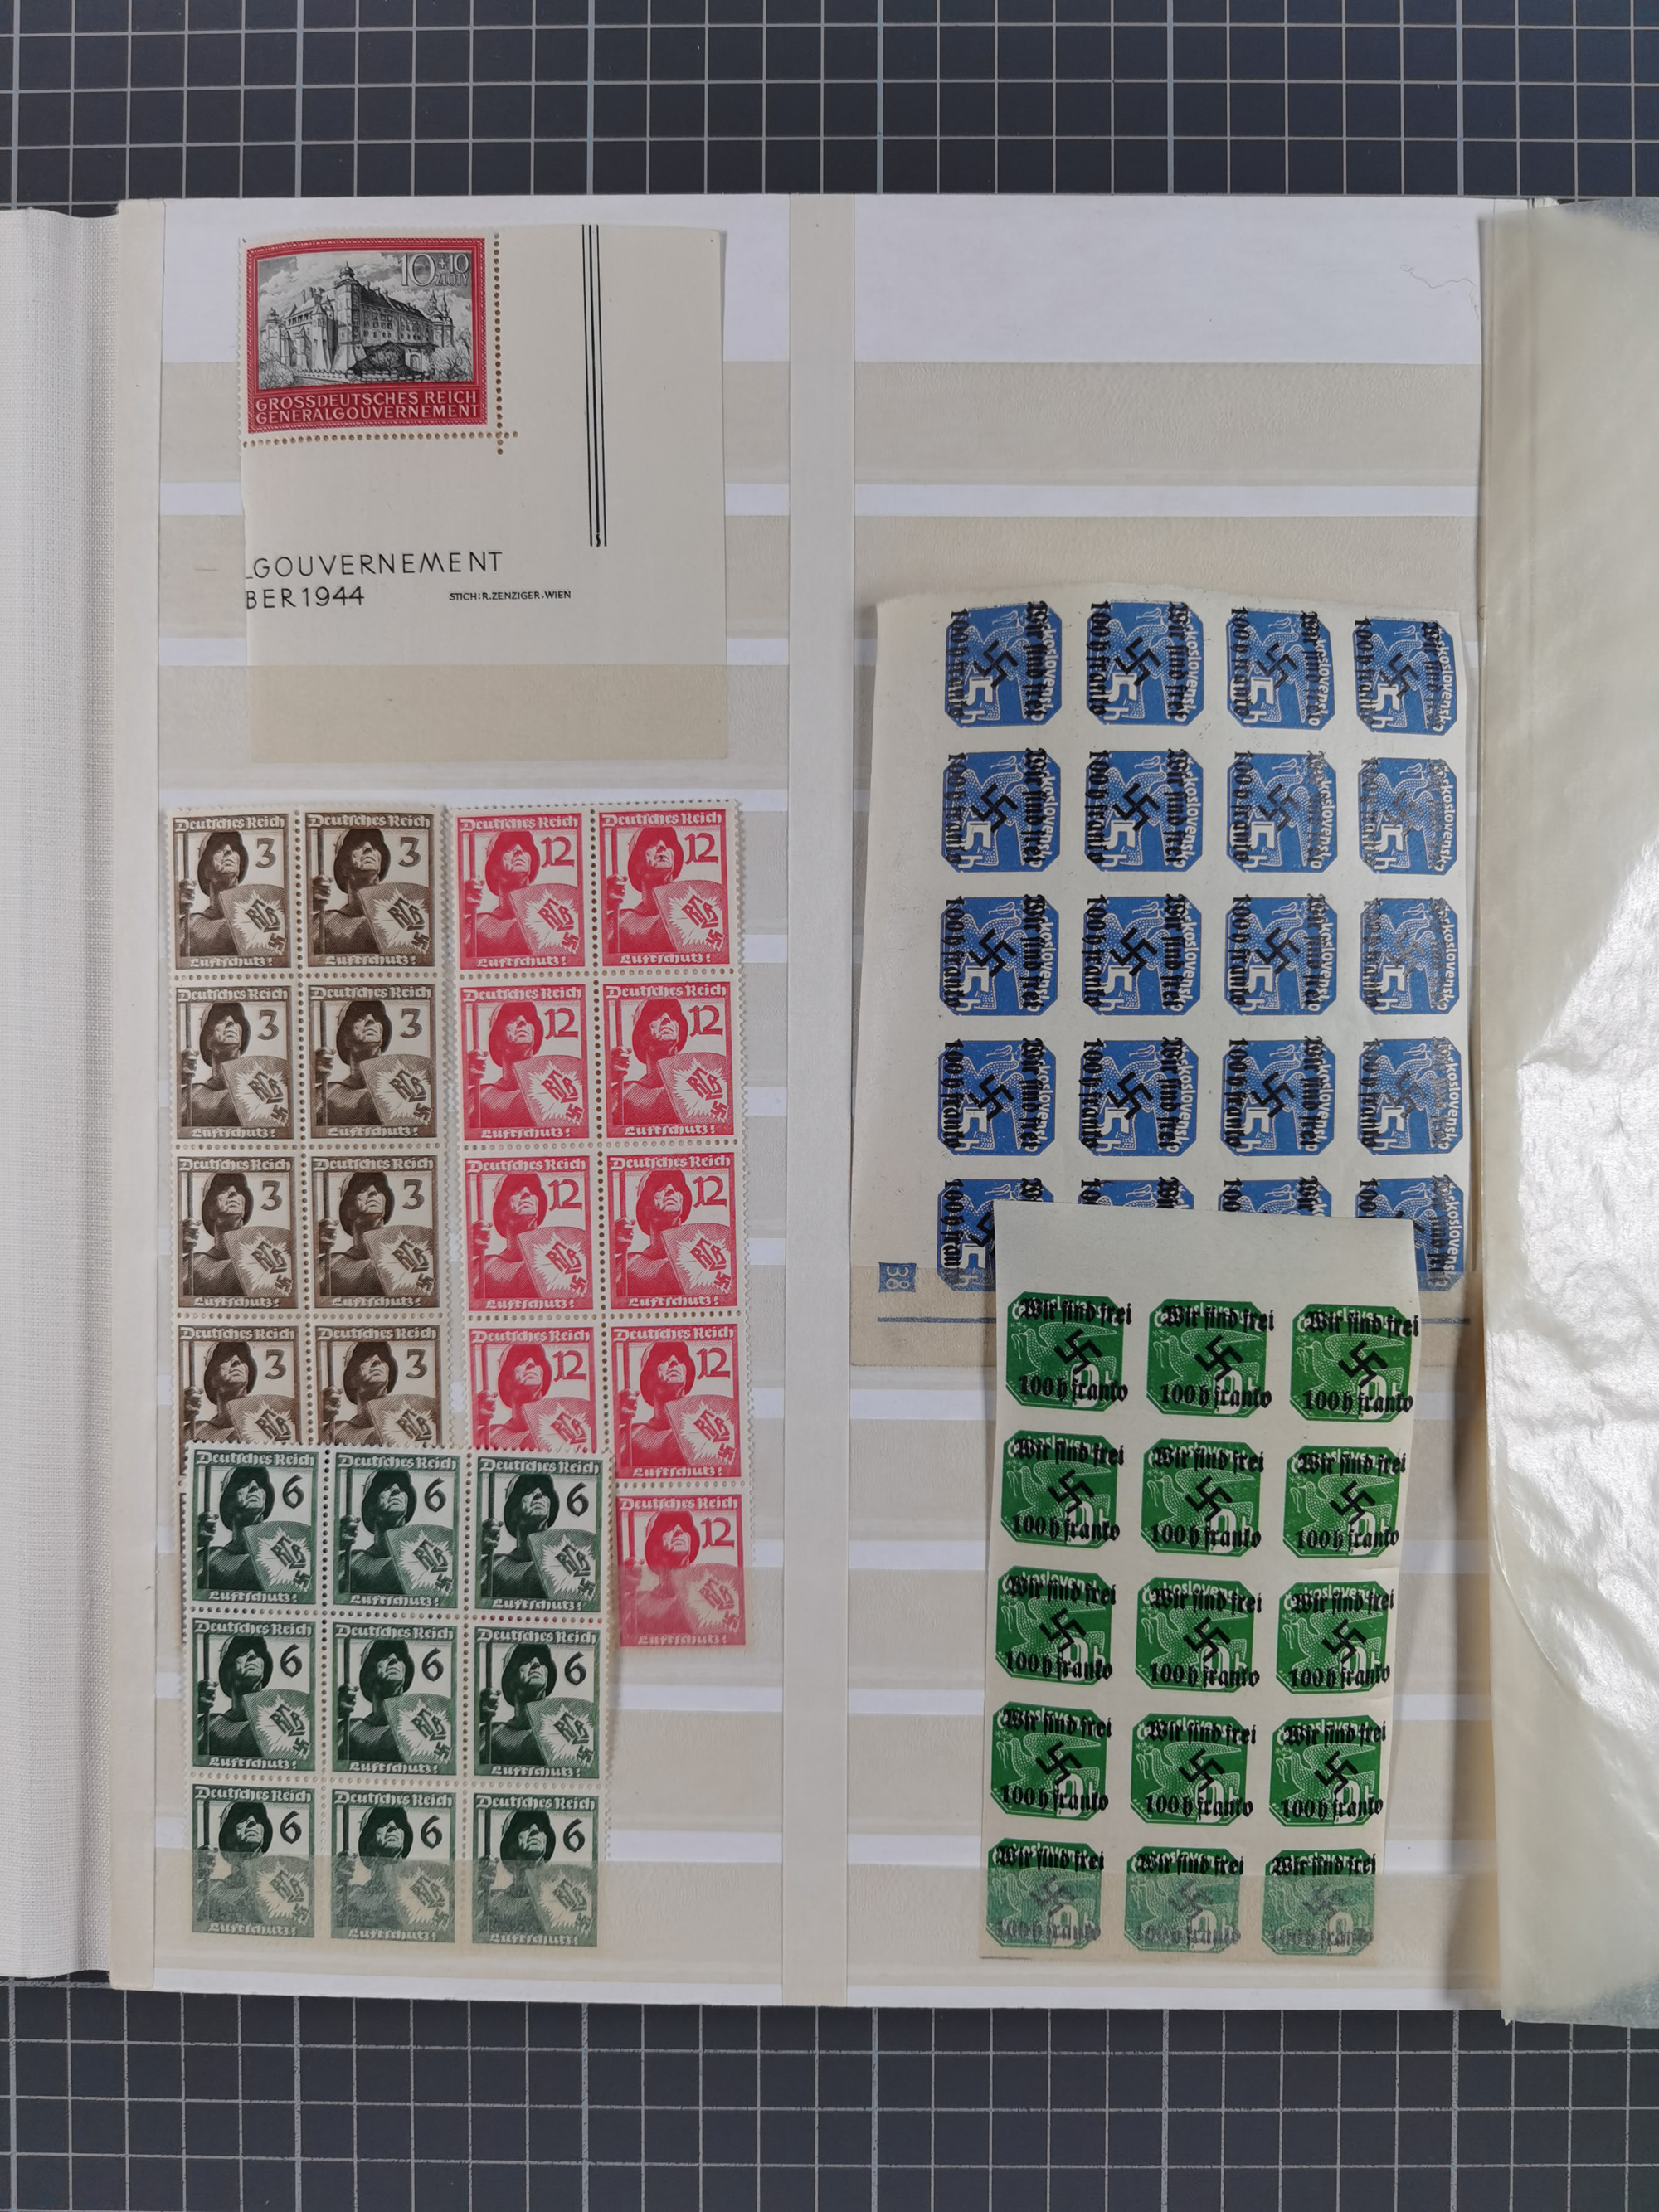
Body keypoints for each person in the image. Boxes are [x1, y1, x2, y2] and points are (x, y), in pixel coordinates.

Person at [605, 824, 695, 960]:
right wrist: (602, 905)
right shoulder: (618, 921)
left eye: (669, 843)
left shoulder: (694, 916)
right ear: (637, 866)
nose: (662, 846)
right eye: (650, 843)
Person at [480, 1467, 559, 1602]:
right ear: (513, 1512)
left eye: (545, 1491)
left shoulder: (565, 1564)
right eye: (527, 1490)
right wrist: (475, 1550)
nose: (539, 1494)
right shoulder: (493, 1565)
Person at [608, 998, 689, 1128]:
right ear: (640, 1036)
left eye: (673, 1016)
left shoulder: (698, 1087)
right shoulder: (623, 1093)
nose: (667, 1018)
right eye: (655, 1016)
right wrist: (605, 1078)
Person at [313, 824, 392, 959]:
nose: (369, 848)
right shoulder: (322, 923)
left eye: (375, 845)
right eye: (357, 845)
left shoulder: (401, 918)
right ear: (343, 867)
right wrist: (305, 904)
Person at [478, 1806, 559, 1934]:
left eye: (541, 1826)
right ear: (511, 1844)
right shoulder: (493, 1900)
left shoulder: (559, 1900)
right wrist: (475, 1885)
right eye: (524, 1826)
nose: (535, 1830)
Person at [467, 1000, 546, 1131]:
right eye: (511, 1019)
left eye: (529, 1019)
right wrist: (460, 1080)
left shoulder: (555, 1092)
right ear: (497, 1041)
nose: (522, 1021)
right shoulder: (480, 1096)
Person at [339, 1465, 416, 1597]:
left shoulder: (421, 1559)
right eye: (384, 1487)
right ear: (370, 1508)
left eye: (403, 1487)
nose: (396, 1490)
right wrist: (332, 1545)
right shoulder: (351, 1561)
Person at [615, 1339, 694, 1471]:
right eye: (663, 1359)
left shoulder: (704, 1431)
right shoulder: (630, 1435)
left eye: (680, 1359)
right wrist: (613, 1421)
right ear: (649, 1380)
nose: (674, 1361)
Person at [463, 829, 541, 961]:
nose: (519, 850)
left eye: (525, 847)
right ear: (493, 868)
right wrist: (459, 909)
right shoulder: (476, 925)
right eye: (507, 848)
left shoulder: (549, 921)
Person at [317, 1169, 396, 1300]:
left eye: (379, 1189)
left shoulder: (403, 1259)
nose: (373, 1191)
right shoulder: (328, 1264)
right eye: (362, 1188)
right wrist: (310, 1247)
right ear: (348, 1211)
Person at [197, 1463, 275, 1594]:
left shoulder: (281, 1557)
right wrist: (190, 1541)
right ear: (228, 1505)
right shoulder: (208, 1557)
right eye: (243, 1483)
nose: (254, 1486)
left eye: (261, 1484)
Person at [625, 1510, 703, 1639]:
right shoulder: (639, 1604)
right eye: (669, 1527)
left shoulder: (710, 1596)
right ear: (655, 1549)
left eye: (685, 1527)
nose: (679, 1530)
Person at [319, 999, 396, 1130]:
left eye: (377, 1018)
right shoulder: (325, 1094)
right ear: (346, 1039)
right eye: (359, 1018)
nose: (371, 1020)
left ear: (382, 1037)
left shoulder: (402, 1090)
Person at [620, 1169, 694, 1302]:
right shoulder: (627, 1264)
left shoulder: (701, 1260)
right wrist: (609, 1250)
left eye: (677, 1187)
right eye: (659, 1187)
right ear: (645, 1209)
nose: (671, 1189)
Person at [197, 1798, 274, 1927]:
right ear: (229, 1835)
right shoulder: (213, 1891)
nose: (252, 1821)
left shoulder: (278, 1887)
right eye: (242, 1818)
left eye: (259, 1818)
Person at [182, 1171, 258, 1300]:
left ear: (245, 1207)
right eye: (222, 1190)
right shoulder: (191, 1264)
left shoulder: (262, 1260)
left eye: (239, 1190)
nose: (233, 1192)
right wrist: (174, 1248)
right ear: (209, 1211)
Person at [479, 1641, 557, 1767]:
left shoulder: (562, 1732)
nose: (536, 1663)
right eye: (526, 1659)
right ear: (511, 1679)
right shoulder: (491, 1733)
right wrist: (473, 1716)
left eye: (543, 1660)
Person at [473, 1172, 547, 1301]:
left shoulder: (558, 1263)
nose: (526, 1193)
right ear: (501, 1211)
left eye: (533, 1190)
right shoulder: (483, 1266)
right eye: (515, 1190)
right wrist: (465, 1251)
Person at [198, 1633, 272, 1762]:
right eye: (241, 1651)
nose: (252, 1655)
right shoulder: (208, 1724)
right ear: (227, 1674)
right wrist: (190, 1707)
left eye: (259, 1652)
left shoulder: (280, 1724)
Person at [341, 1637, 415, 1763]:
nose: (394, 1659)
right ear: (369, 1675)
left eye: (401, 1656)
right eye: (383, 1656)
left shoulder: (419, 1728)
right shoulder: (349, 1729)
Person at [182, 1001, 252, 1130]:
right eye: (220, 1019)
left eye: (237, 1020)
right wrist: (174, 1078)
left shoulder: (259, 1091)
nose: (231, 1022)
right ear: (207, 1041)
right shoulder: (190, 1094)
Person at [180, 829, 249, 960]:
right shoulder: (188, 925)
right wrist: (174, 910)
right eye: (218, 848)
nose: (229, 850)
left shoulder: (258, 919)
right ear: (205, 870)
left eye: (235, 848)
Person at [477, 1342, 553, 1450]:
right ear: (506, 1382)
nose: (531, 1363)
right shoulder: (489, 1436)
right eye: (520, 1360)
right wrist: (473, 1419)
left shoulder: (562, 1430)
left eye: (538, 1361)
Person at [182, 1339, 260, 1443]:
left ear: (249, 1375)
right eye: (225, 1359)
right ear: (212, 1380)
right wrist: (180, 1417)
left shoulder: (264, 1429)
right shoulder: (195, 1431)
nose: (237, 1361)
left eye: (243, 1358)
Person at [323, 1339, 398, 1445]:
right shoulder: (335, 1432)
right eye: (365, 1357)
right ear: (352, 1380)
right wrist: (318, 1416)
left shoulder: (408, 1426)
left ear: (389, 1375)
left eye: (383, 1358)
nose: (377, 1360)